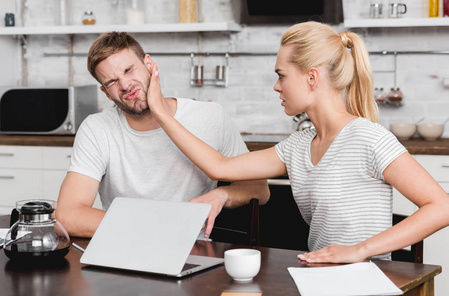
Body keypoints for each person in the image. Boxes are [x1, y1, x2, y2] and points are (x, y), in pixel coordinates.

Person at [145, 21, 449, 263]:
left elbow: (441, 207)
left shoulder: (367, 137)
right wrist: (159, 110)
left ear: (312, 78)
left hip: (366, 281)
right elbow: (218, 166)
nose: (276, 87)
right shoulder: (298, 145)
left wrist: (360, 250)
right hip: (317, 274)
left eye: (281, 75)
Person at [55, 32, 270, 238]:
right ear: (106, 93)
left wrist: (222, 195)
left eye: (129, 70)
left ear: (149, 64)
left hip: (191, 250)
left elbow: (260, 190)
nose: (125, 85)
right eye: (111, 82)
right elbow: (68, 215)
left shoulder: (211, 117)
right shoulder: (97, 129)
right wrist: (155, 228)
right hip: (122, 246)